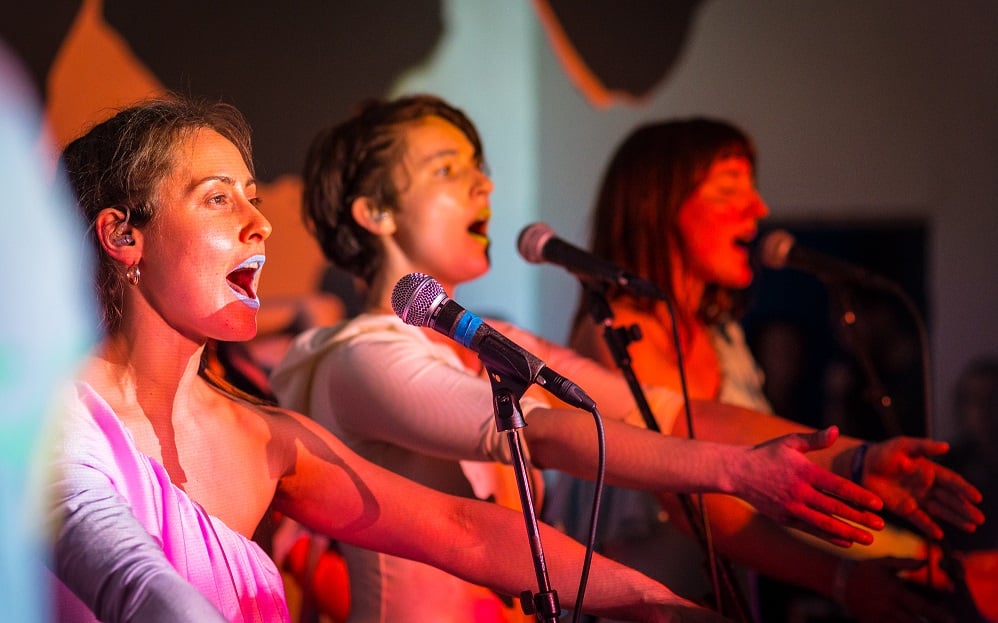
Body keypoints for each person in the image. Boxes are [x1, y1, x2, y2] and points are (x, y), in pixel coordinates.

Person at [269, 95, 979, 623]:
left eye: (481, 168)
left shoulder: (483, 344)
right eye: (449, 168)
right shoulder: (360, 355)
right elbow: (538, 433)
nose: (484, 184)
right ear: (374, 212)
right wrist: (735, 480)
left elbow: (670, 411)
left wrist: (856, 458)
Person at [46, 95, 749, 623]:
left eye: (255, 199)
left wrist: (655, 602)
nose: (258, 222)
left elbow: (462, 529)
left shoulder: (261, 436)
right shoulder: (46, 425)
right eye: (218, 199)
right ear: (122, 234)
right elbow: (135, 582)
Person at [557, 117, 988, 621]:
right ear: (658, 206)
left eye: (753, 188)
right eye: (729, 189)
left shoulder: (722, 335)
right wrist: (845, 579)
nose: (758, 208)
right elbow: (693, 501)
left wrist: (924, 552)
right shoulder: (619, 327)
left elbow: (769, 475)